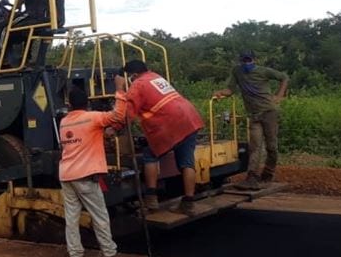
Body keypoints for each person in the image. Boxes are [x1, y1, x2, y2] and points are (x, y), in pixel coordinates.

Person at [119, 60, 204, 215]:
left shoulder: (137, 85)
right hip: (190, 119)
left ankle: (151, 200)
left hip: (171, 123)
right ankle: (188, 203)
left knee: (150, 155)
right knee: (187, 163)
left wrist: (113, 128)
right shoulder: (156, 77)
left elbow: (126, 116)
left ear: (134, 75)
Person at [58, 76, 128, 257]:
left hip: (66, 175)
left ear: (69, 104)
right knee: (100, 216)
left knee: (71, 218)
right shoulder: (92, 118)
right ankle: (109, 252)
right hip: (85, 175)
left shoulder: (64, 122)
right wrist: (120, 90)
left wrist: (102, 134)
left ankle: (75, 254)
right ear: (87, 103)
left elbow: (82, 138)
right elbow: (118, 116)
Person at [213, 50, 289, 190]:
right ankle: (252, 177)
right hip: (253, 115)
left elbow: (284, 77)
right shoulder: (237, 71)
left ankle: (268, 174)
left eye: (249, 60)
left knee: (271, 146)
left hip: (269, 112)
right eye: (244, 61)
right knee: (254, 146)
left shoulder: (263, 71)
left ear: (254, 60)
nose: (247, 63)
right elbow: (230, 90)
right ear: (240, 61)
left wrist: (279, 96)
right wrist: (221, 93)